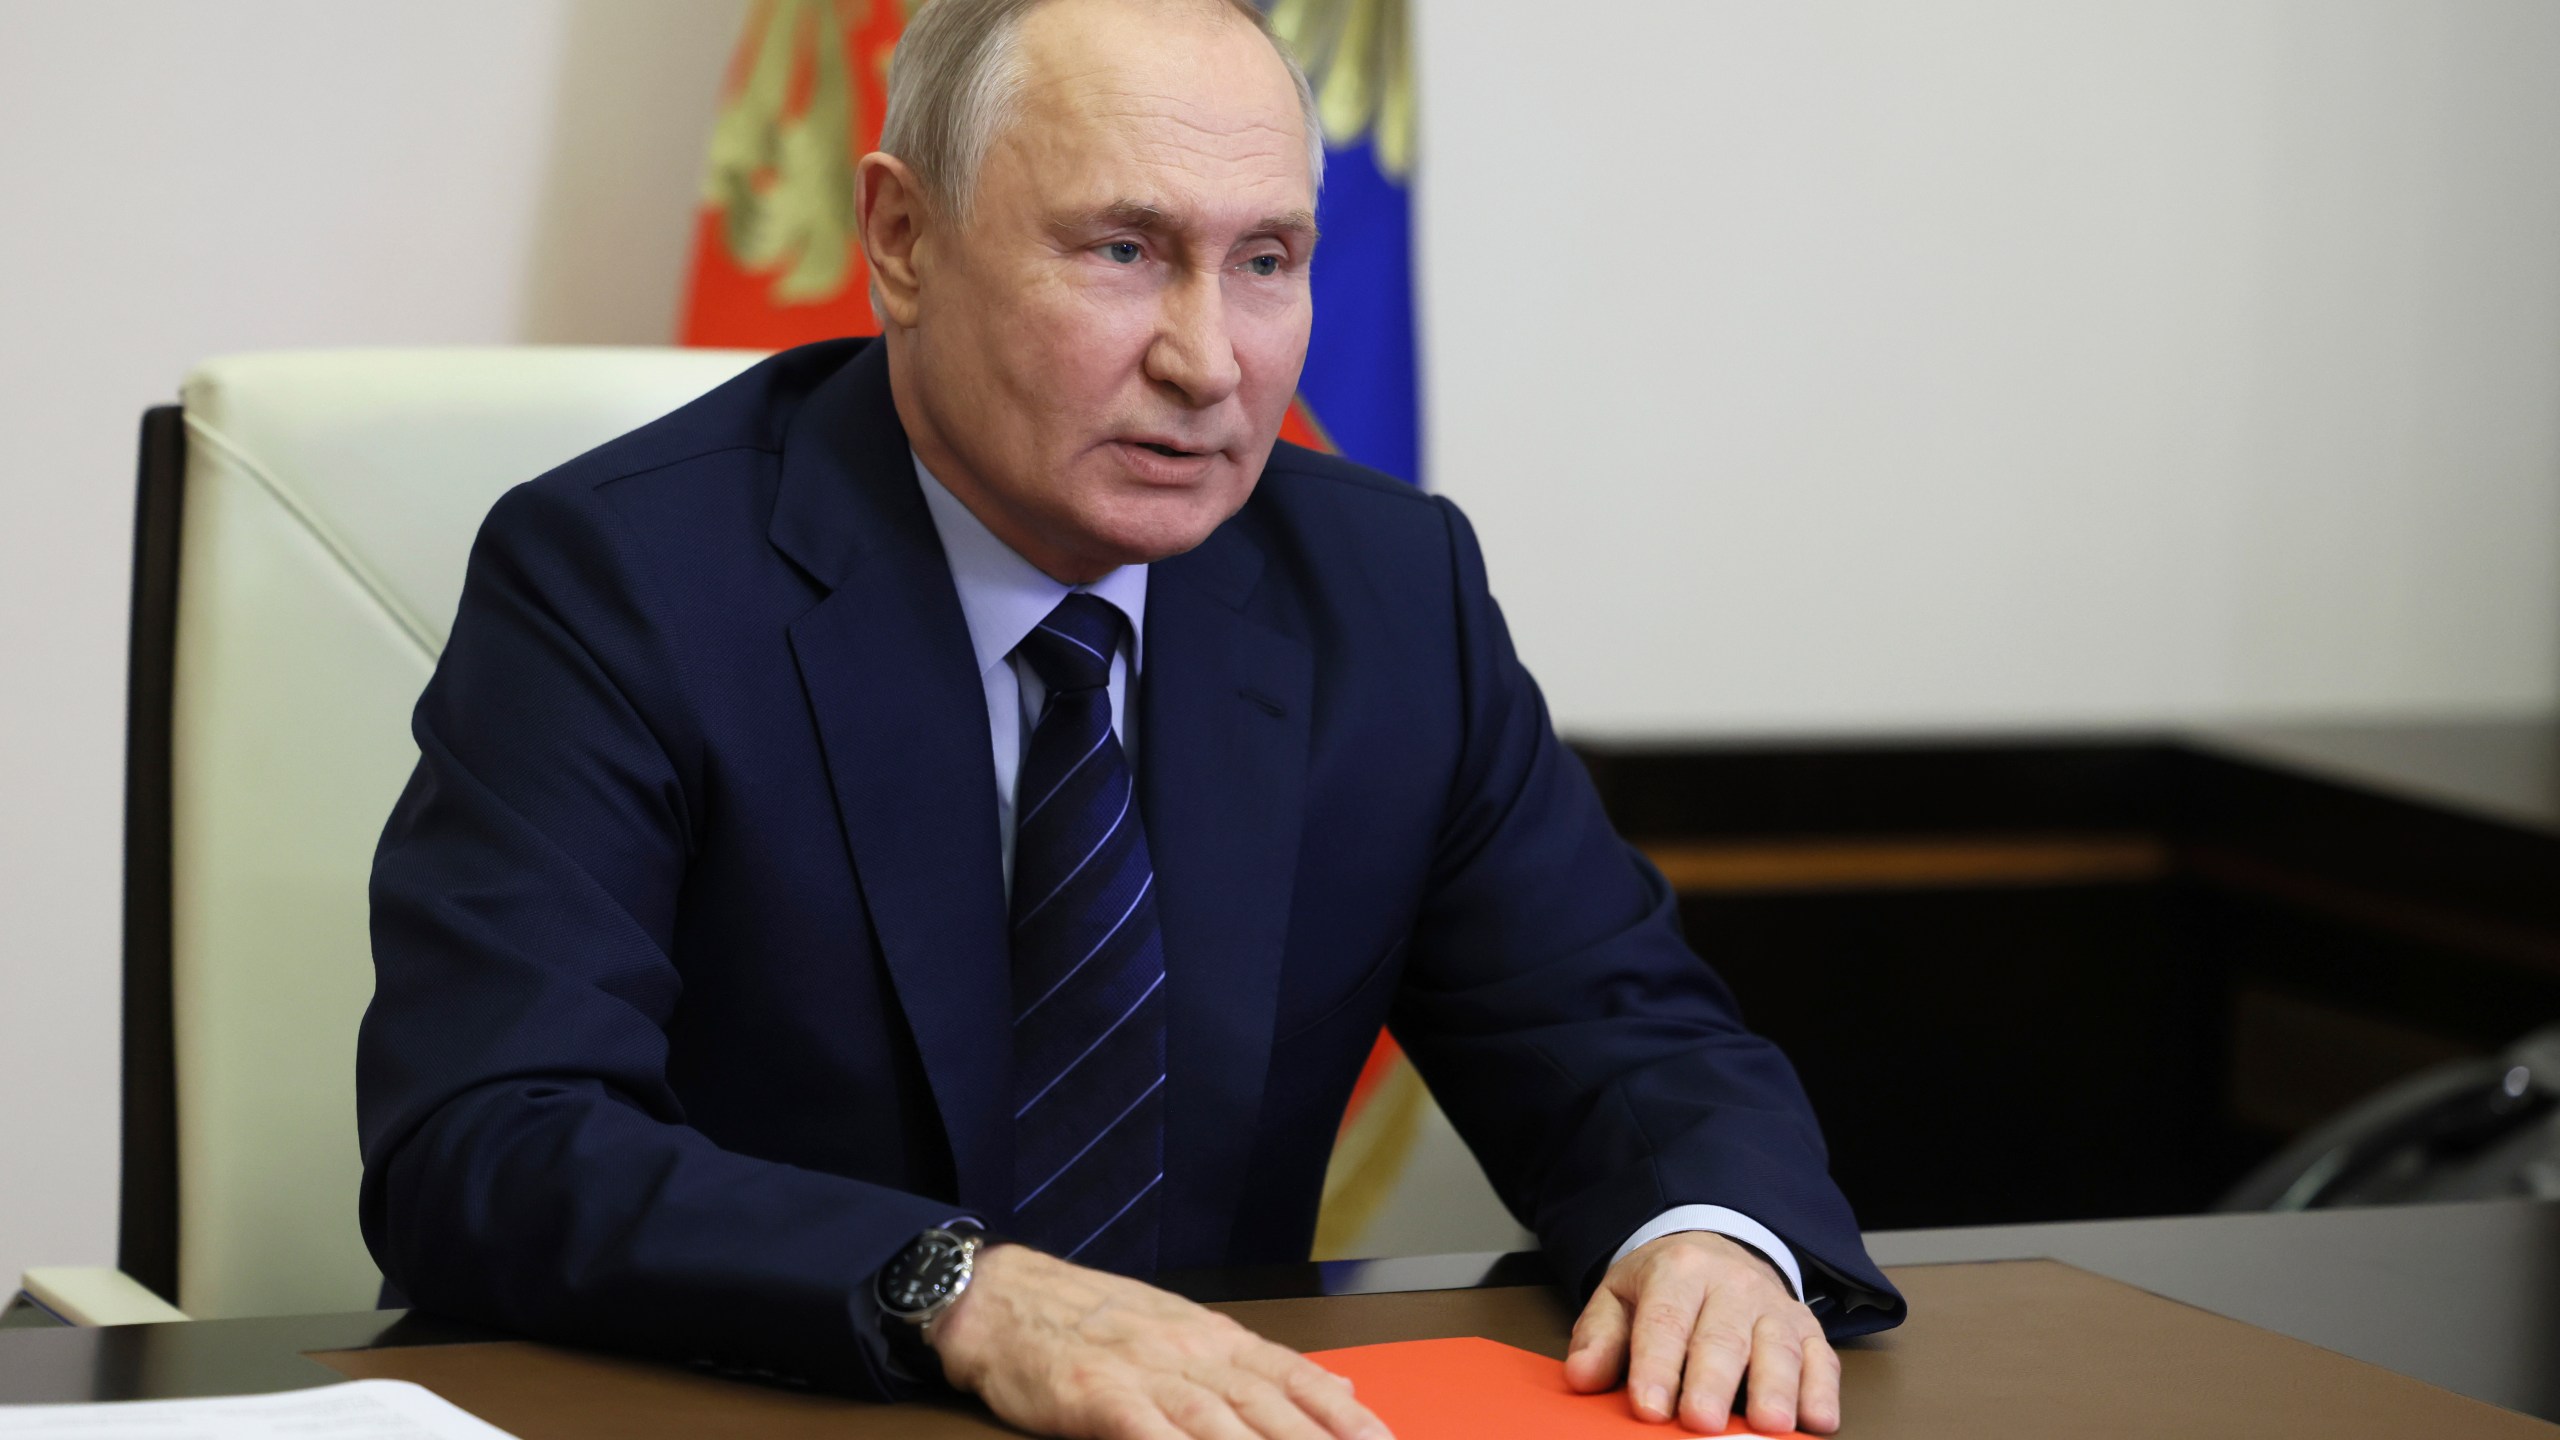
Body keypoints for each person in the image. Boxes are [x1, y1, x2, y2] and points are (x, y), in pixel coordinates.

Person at [356, 0, 1906, 1435]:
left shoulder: (1383, 590)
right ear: (900, 239)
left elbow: (1619, 1032)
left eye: (1269, 261)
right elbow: (488, 1135)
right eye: (1120, 249)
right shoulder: (623, 579)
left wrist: (1705, 1232)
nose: (1207, 359)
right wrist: (956, 1289)